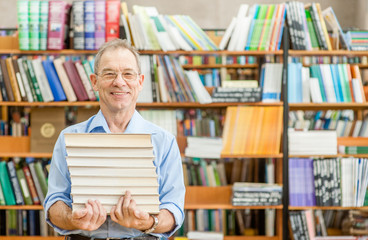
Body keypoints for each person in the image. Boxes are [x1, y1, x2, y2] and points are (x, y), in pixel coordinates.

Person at [44, 39, 185, 240]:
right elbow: (54, 204)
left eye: (128, 73)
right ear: (94, 81)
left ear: (140, 81)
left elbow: (174, 210)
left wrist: (147, 222)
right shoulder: (69, 138)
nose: (119, 82)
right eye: (109, 73)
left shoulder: (164, 142)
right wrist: (71, 218)